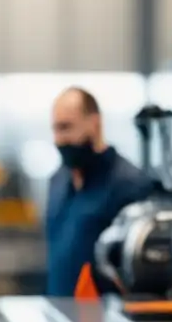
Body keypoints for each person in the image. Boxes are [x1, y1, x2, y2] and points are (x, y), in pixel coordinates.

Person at [45, 86, 154, 296]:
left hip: (105, 318)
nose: (58, 139)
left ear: (95, 123)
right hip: (60, 312)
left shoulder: (130, 185)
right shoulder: (57, 181)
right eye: (55, 129)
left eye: (66, 127)